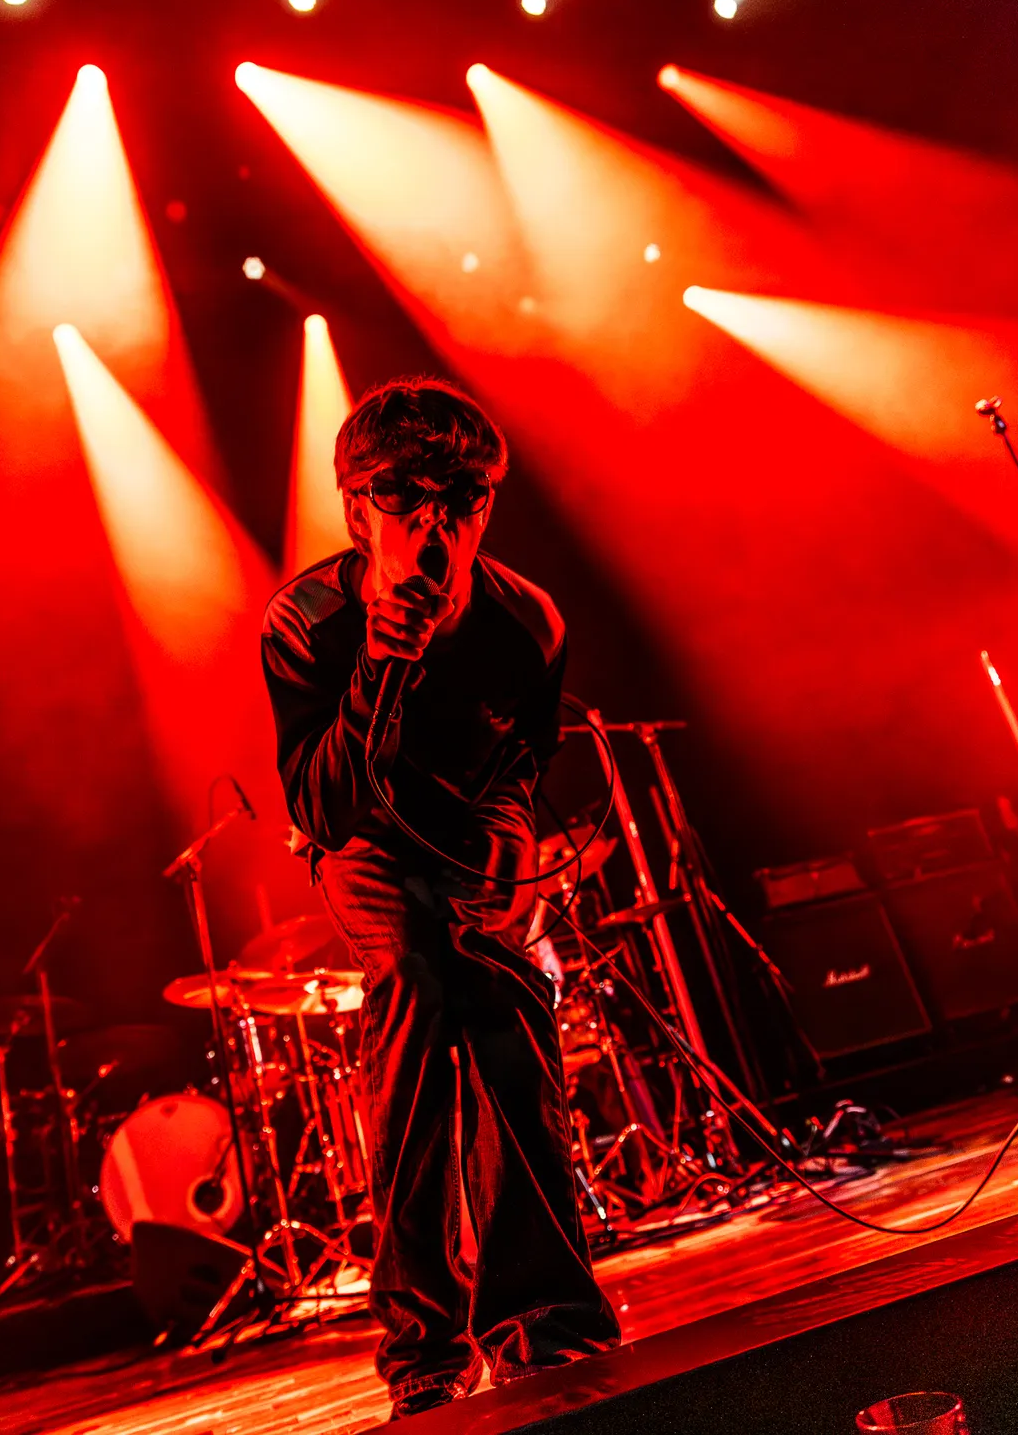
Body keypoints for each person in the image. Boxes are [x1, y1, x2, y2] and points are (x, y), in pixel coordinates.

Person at [261, 377, 620, 1418]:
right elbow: (321, 805)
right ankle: (424, 1348)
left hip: (475, 832)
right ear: (356, 510)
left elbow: (524, 763)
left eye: (461, 498)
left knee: (507, 1015)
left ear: (486, 507)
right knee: (414, 992)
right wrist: (381, 662)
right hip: (365, 841)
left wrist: (505, 848)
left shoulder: (527, 622)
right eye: (405, 496)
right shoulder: (308, 622)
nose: (435, 523)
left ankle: (548, 1325)